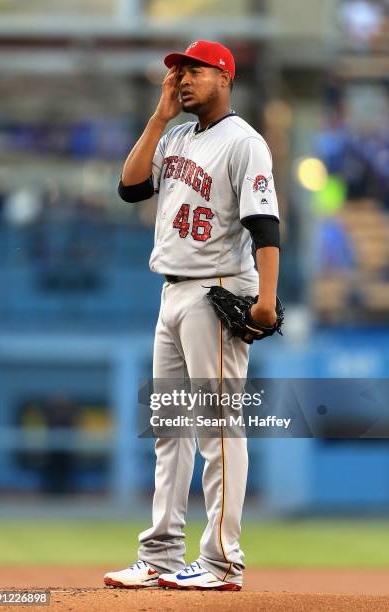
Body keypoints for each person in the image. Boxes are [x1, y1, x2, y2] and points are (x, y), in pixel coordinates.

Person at [104, 40, 280, 591]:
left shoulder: (245, 142)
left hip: (218, 289)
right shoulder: (176, 135)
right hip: (172, 291)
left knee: (219, 430)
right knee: (170, 430)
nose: (182, 80)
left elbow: (265, 226)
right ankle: (159, 553)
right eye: (178, 72)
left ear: (225, 78)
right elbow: (130, 187)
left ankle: (223, 562)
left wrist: (266, 300)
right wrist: (158, 118)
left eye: (195, 71)